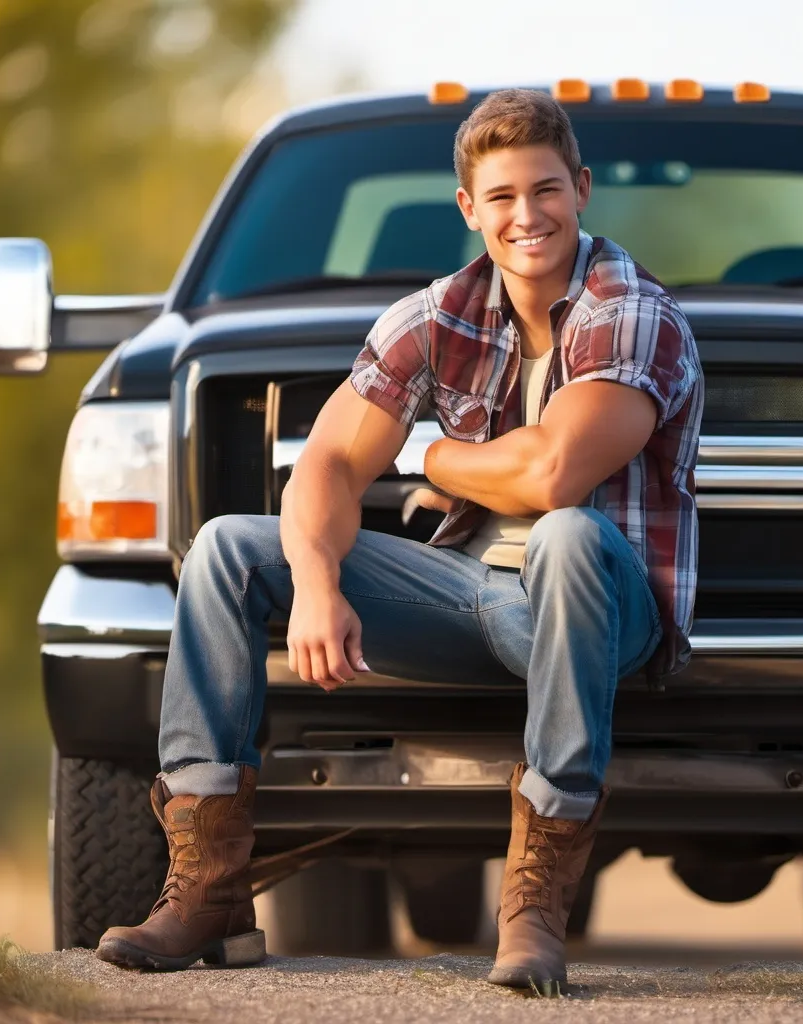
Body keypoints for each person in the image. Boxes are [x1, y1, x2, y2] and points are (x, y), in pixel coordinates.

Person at [96, 88, 703, 988]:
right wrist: (315, 583)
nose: (526, 216)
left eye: (545, 190)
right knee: (227, 546)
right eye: (500, 197)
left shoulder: (630, 309)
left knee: (568, 534)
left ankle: (534, 906)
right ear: (469, 209)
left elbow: (550, 477)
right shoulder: (439, 313)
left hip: (597, 615)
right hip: (469, 595)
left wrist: (445, 459)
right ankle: (208, 892)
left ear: (580, 190)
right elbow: (330, 467)